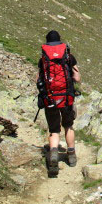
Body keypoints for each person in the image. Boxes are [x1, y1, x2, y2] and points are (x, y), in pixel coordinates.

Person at [36, 30, 80, 176]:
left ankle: (53, 154)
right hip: (66, 98)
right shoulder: (68, 57)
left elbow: (39, 80)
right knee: (68, 125)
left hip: (50, 99)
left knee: (54, 130)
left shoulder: (43, 59)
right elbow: (77, 78)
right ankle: (71, 155)